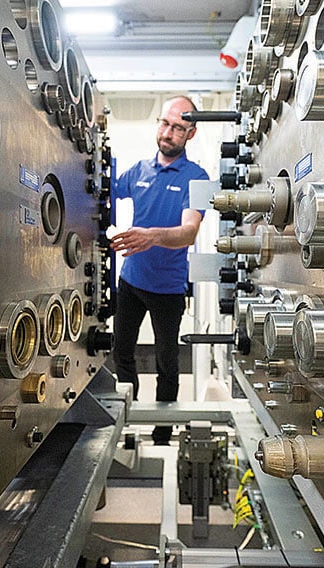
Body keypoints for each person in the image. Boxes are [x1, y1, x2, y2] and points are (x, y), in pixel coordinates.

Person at [110, 96, 209, 445]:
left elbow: (189, 232)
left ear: (191, 133)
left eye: (178, 128)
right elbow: (97, 188)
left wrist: (150, 236)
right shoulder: (137, 171)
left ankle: (163, 434)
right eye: (164, 123)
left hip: (168, 288)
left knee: (167, 361)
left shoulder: (198, 177)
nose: (168, 133)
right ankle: (126, 422)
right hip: (131, 280)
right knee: (122, 351)